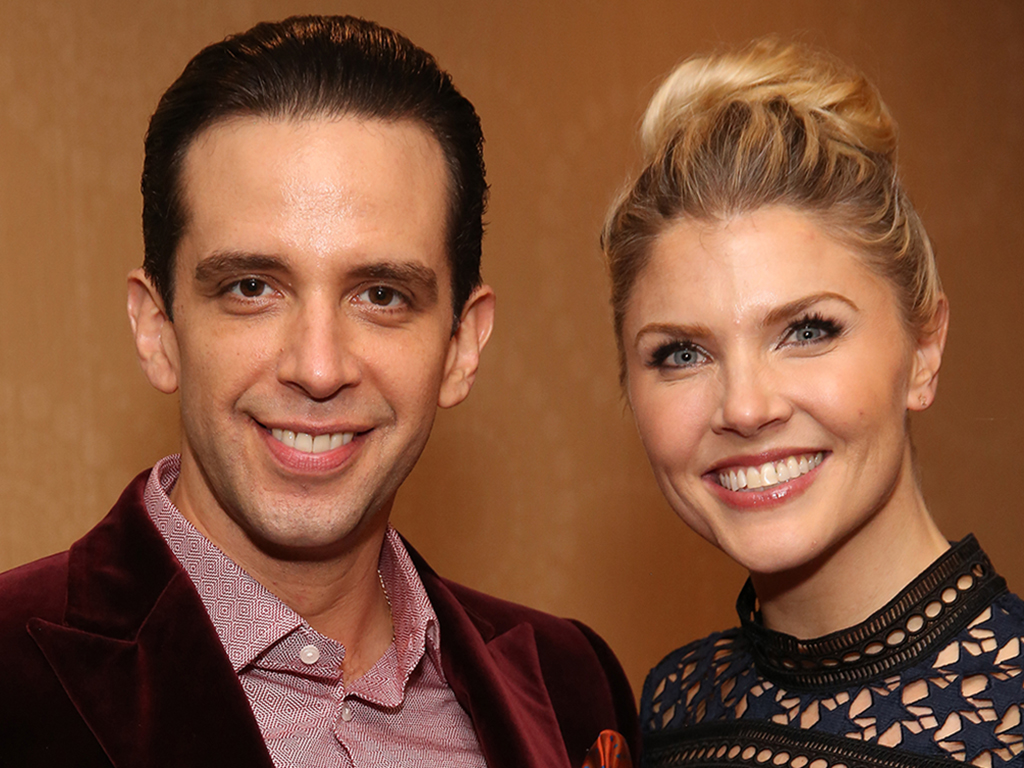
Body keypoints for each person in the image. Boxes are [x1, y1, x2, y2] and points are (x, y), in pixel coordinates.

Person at [0, 15, 638, 767]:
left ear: (462, 346)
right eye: (251, 287)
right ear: (158, 328)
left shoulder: (573, 688)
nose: (318, 365)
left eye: (381, 295)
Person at [601, 39, 1024, 767]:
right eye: (682, 353)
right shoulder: (669, 707)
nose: (745, 406)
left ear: (924, 350)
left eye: (806, 330)